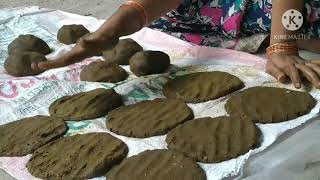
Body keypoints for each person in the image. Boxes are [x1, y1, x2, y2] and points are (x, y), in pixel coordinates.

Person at [32, 0, 320, 89]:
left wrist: (283, 46)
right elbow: (145, 7)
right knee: (168, 23)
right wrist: (105, 34)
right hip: (209, 13)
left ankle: (280, 31)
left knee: (296, 14)